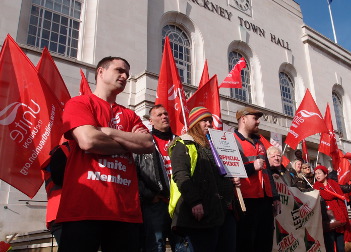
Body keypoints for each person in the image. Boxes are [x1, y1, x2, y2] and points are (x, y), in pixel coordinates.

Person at [57, 57, 155, 251]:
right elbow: (88, 141)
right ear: (101, 72)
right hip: (84, 209)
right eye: (119, 70)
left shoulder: (130, 115)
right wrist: (129, 143)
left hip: (125, 212)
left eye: (127, 73)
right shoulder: (79, 103)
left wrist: (108, 132)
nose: (125, 76)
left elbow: (148, 144)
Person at [168, 106, 233, 252]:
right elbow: (181, 175)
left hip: (215, 215)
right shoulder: (183, 144)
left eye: (210, 121)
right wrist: (195, 202)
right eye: (204, 121)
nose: (209, 124)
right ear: (195, 123)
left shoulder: (212, 147)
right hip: (194, 216)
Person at [234, 106, 281, 252]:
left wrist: (275, 197)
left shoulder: (259, 142)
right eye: (255, 118)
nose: (258, 122)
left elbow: (267, 171)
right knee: (246, 243)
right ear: (243, 119)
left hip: (265, 200)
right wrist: (251, 168)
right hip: (246, 200)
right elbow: (230, 171)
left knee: (265, 242)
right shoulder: (232, 141)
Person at [135, 105, 176, 252]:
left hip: (178, 204)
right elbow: (136, 173)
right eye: (159, 115)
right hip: (155, 203)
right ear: (151, 121)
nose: (164, 117)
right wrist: (150, 195)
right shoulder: (145, 142)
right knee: (155, 245)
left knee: (181, 245)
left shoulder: (178, 141)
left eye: (165, 114)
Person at [313, 165, 351, 252]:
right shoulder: (315, 187)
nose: (317, 176)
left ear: (325, 174)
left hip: (338, 217)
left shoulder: (334, 185)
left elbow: (346, 192)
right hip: (326, 219)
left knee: (341, 247)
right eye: (315, 174)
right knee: (329, 246)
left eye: (319, 173)